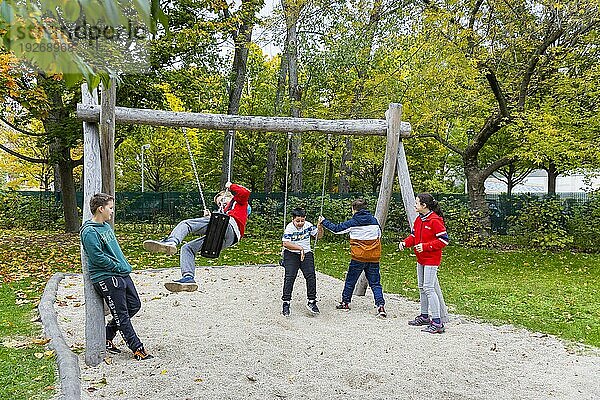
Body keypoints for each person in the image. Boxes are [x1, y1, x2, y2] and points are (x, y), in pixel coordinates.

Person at [80, 193, 153, 361]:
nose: (112, 212)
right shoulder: (89, 231)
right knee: (121, 314)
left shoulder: (106, 227)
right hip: (106, 277)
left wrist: (123, 266)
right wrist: (117, 266)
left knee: (134, 305)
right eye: (110, 208)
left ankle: (107, 334)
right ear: (100, 209)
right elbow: (97, 257)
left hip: (121, 272)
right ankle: (137, 348)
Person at [143, 181, 251, 292]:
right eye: (219, 204)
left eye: (223, 201)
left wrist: (230, 186)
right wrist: (209, 217)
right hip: (228, 238)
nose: (221, 205)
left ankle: (171, 242)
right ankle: (188, 278)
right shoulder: (226, 211)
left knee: (186, 224)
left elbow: (245, 192)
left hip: (228, 226)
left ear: (230, 196)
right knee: (187, 248)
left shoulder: (238, 202)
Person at [318, 198, 386, 318]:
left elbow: (336, 229)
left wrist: (323, 221)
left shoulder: (353, 222)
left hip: (358, 257)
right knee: (375, 283)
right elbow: (379, 235)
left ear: (354, 210)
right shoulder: (374, 221)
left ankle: (345, 302)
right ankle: (380, 306)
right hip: (373, 257)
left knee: (350, 280)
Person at [398, 193, 450, 334]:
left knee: (428, 288)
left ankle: (437, 322)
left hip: (431, 260)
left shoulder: (435, 220)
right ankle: (424, 316)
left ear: (424, 206)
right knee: (422, 288)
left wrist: (426, 246)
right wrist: (405, 243)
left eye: (417, 203)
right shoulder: (419, 220)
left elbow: (444, 240)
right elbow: (414, 236)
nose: (415, 205)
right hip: (420, 259)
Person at [281, 207, 324, 317]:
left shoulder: (308, 225)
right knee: (290, 276)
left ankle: (312, 301)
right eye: (298, 221)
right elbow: (285, 243)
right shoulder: (289, 228)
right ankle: (286, 303)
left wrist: (320, 226)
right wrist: (299, 248)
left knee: (311, 276)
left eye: (302, 220)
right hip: (291, 253)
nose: (300, 223)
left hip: (307, 253)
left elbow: (319, 236)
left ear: (305, 219)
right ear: (293, 219)